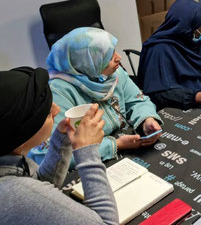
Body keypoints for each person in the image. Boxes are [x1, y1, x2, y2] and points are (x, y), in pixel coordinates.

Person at [0, 67, 119, 224]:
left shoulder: (8, 159)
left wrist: (62, 139)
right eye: (48, 112)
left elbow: (39, 187)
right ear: (23, 131)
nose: (57, 110)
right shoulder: (12, 192)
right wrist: (88, 152)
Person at [31, 27, 162, 167]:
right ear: (86, 62)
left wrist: (147, 118)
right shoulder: (58, 93)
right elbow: (48, 155)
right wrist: (115, 145)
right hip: (89, 162)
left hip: (123, 145)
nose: (119, 57)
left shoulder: (114, 74)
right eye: (108, 56)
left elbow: (137, 100)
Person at [138, 0, 201, 112]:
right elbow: (158, 95)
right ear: (190, 28)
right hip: (177, 109)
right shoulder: (159, 50)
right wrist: (198, 97)